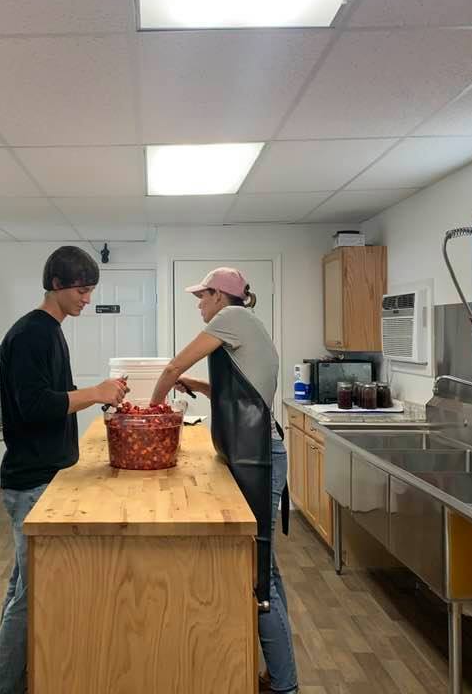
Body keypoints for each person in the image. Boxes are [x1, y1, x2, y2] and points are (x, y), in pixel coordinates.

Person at [0, 246, 129, 694]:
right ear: (56, 286)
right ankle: (0, 688)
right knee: (32, 598)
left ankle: (12, 680)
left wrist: (99, 398)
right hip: (32, 482)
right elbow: (34, 407)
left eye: (90, 291)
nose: (87, 299)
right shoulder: (33, 334)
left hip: (46, 477)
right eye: (82, 290)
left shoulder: (52, 331)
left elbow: (59, 397)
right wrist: (97, 391)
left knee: (22, 589)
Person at [149, 267, 298, 694]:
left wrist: (153, 408)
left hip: (258, 458)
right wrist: (189, 383)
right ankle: (280, 672)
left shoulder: (229, 320)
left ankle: (285, 686)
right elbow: (232, 393)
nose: (199, 304)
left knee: (257, 576)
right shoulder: (247, 326)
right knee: (265, 565)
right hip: (255, 454)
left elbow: (176, 361)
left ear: (220, 296)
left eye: (203, 296)